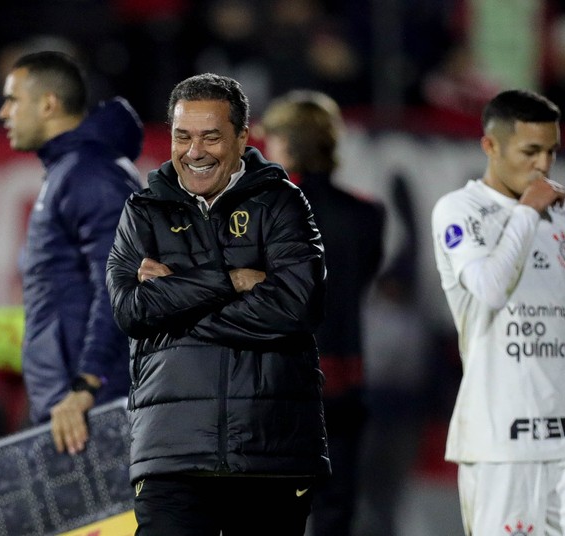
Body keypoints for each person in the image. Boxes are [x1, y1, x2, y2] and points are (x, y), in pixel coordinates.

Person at [106, 73, 330, 535]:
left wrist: (177, 306)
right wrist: (229, 280)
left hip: (269, 452)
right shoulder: (143, 211)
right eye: (182, 136)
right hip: (172, 453)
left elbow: (296, 306)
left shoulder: (282, 203)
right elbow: (132, 312)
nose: (195, 151)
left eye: (211, 136)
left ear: (243, 137)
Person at [431, 89, 565, 535]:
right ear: (490, 146)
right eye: (530, 151)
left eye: (552, 151)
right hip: (501, 437)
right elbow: (490, 289)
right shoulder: (459, 210)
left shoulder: (562, 214)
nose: (543, 164)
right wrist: (526, 213)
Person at [0, 50, 143, 453]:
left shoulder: (90, 173)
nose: (3, 112)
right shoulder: (68, 172)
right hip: (76, 410)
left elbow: (122, 285)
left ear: (48, 104)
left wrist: (86, 383)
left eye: (13, 100)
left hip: (95, 409)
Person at [256, 89, 385, 536]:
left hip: (277, 386)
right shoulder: (368, 214)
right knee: (335, 510)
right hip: (345, 382)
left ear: (286, 144)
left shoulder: (264, 207)